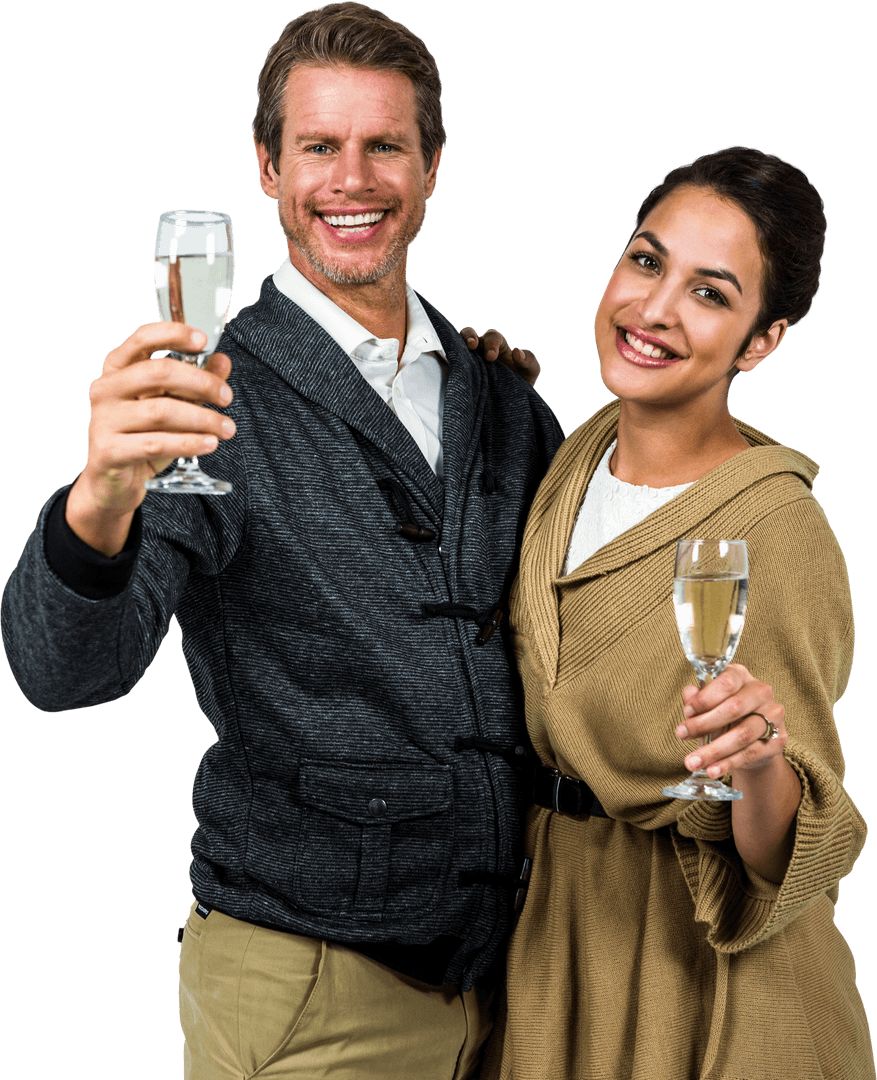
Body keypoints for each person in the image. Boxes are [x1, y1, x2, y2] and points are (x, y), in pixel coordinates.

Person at [0, 5, 562, 1078]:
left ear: (432, 165)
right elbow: (62, 670)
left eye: (383, 145)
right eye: (318, 146)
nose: (351, 179)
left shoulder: (502, 398)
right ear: (267, 166)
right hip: (312, 991)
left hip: (510, 983)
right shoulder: (205, 394)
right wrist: (100, 497)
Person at [479, 147, 875, 1079]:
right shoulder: (567, 466)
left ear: (761, 340)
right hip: (554, 938)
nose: (653, 310)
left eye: (710, 292)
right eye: (647, 261)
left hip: (703, 978)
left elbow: (796, 843)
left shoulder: (776, 530)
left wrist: (762, 763)